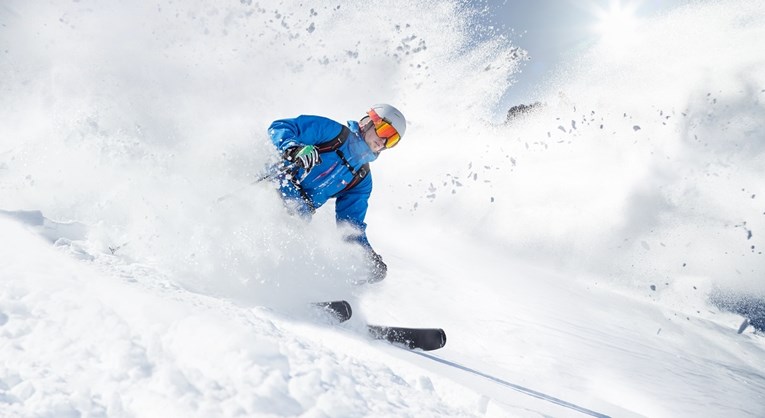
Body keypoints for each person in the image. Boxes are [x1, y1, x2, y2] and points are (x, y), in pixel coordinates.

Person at [267, 104, 407, 283]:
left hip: (294, 216)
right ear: (368, 122)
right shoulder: (333, 134)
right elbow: (280, 127)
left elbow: (350, 226)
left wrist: (366, 256)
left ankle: (300, 291)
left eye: (392, 140)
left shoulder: (361, 178)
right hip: (270, 187)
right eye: (385, 131)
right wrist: (293, 149)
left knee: (300, 249)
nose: (384, 142)